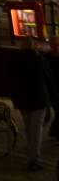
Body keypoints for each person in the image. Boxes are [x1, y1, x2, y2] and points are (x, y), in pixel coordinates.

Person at [9, 37, 59, 171]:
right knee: (37, 129)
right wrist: (53, 97)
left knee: (28, 126)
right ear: (33, 46)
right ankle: (34, 160)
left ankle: (31, 152)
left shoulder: (15, 59)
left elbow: (10, 79)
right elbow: (49, 79)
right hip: (39, 99)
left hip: (22, 99)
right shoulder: (39, 59)